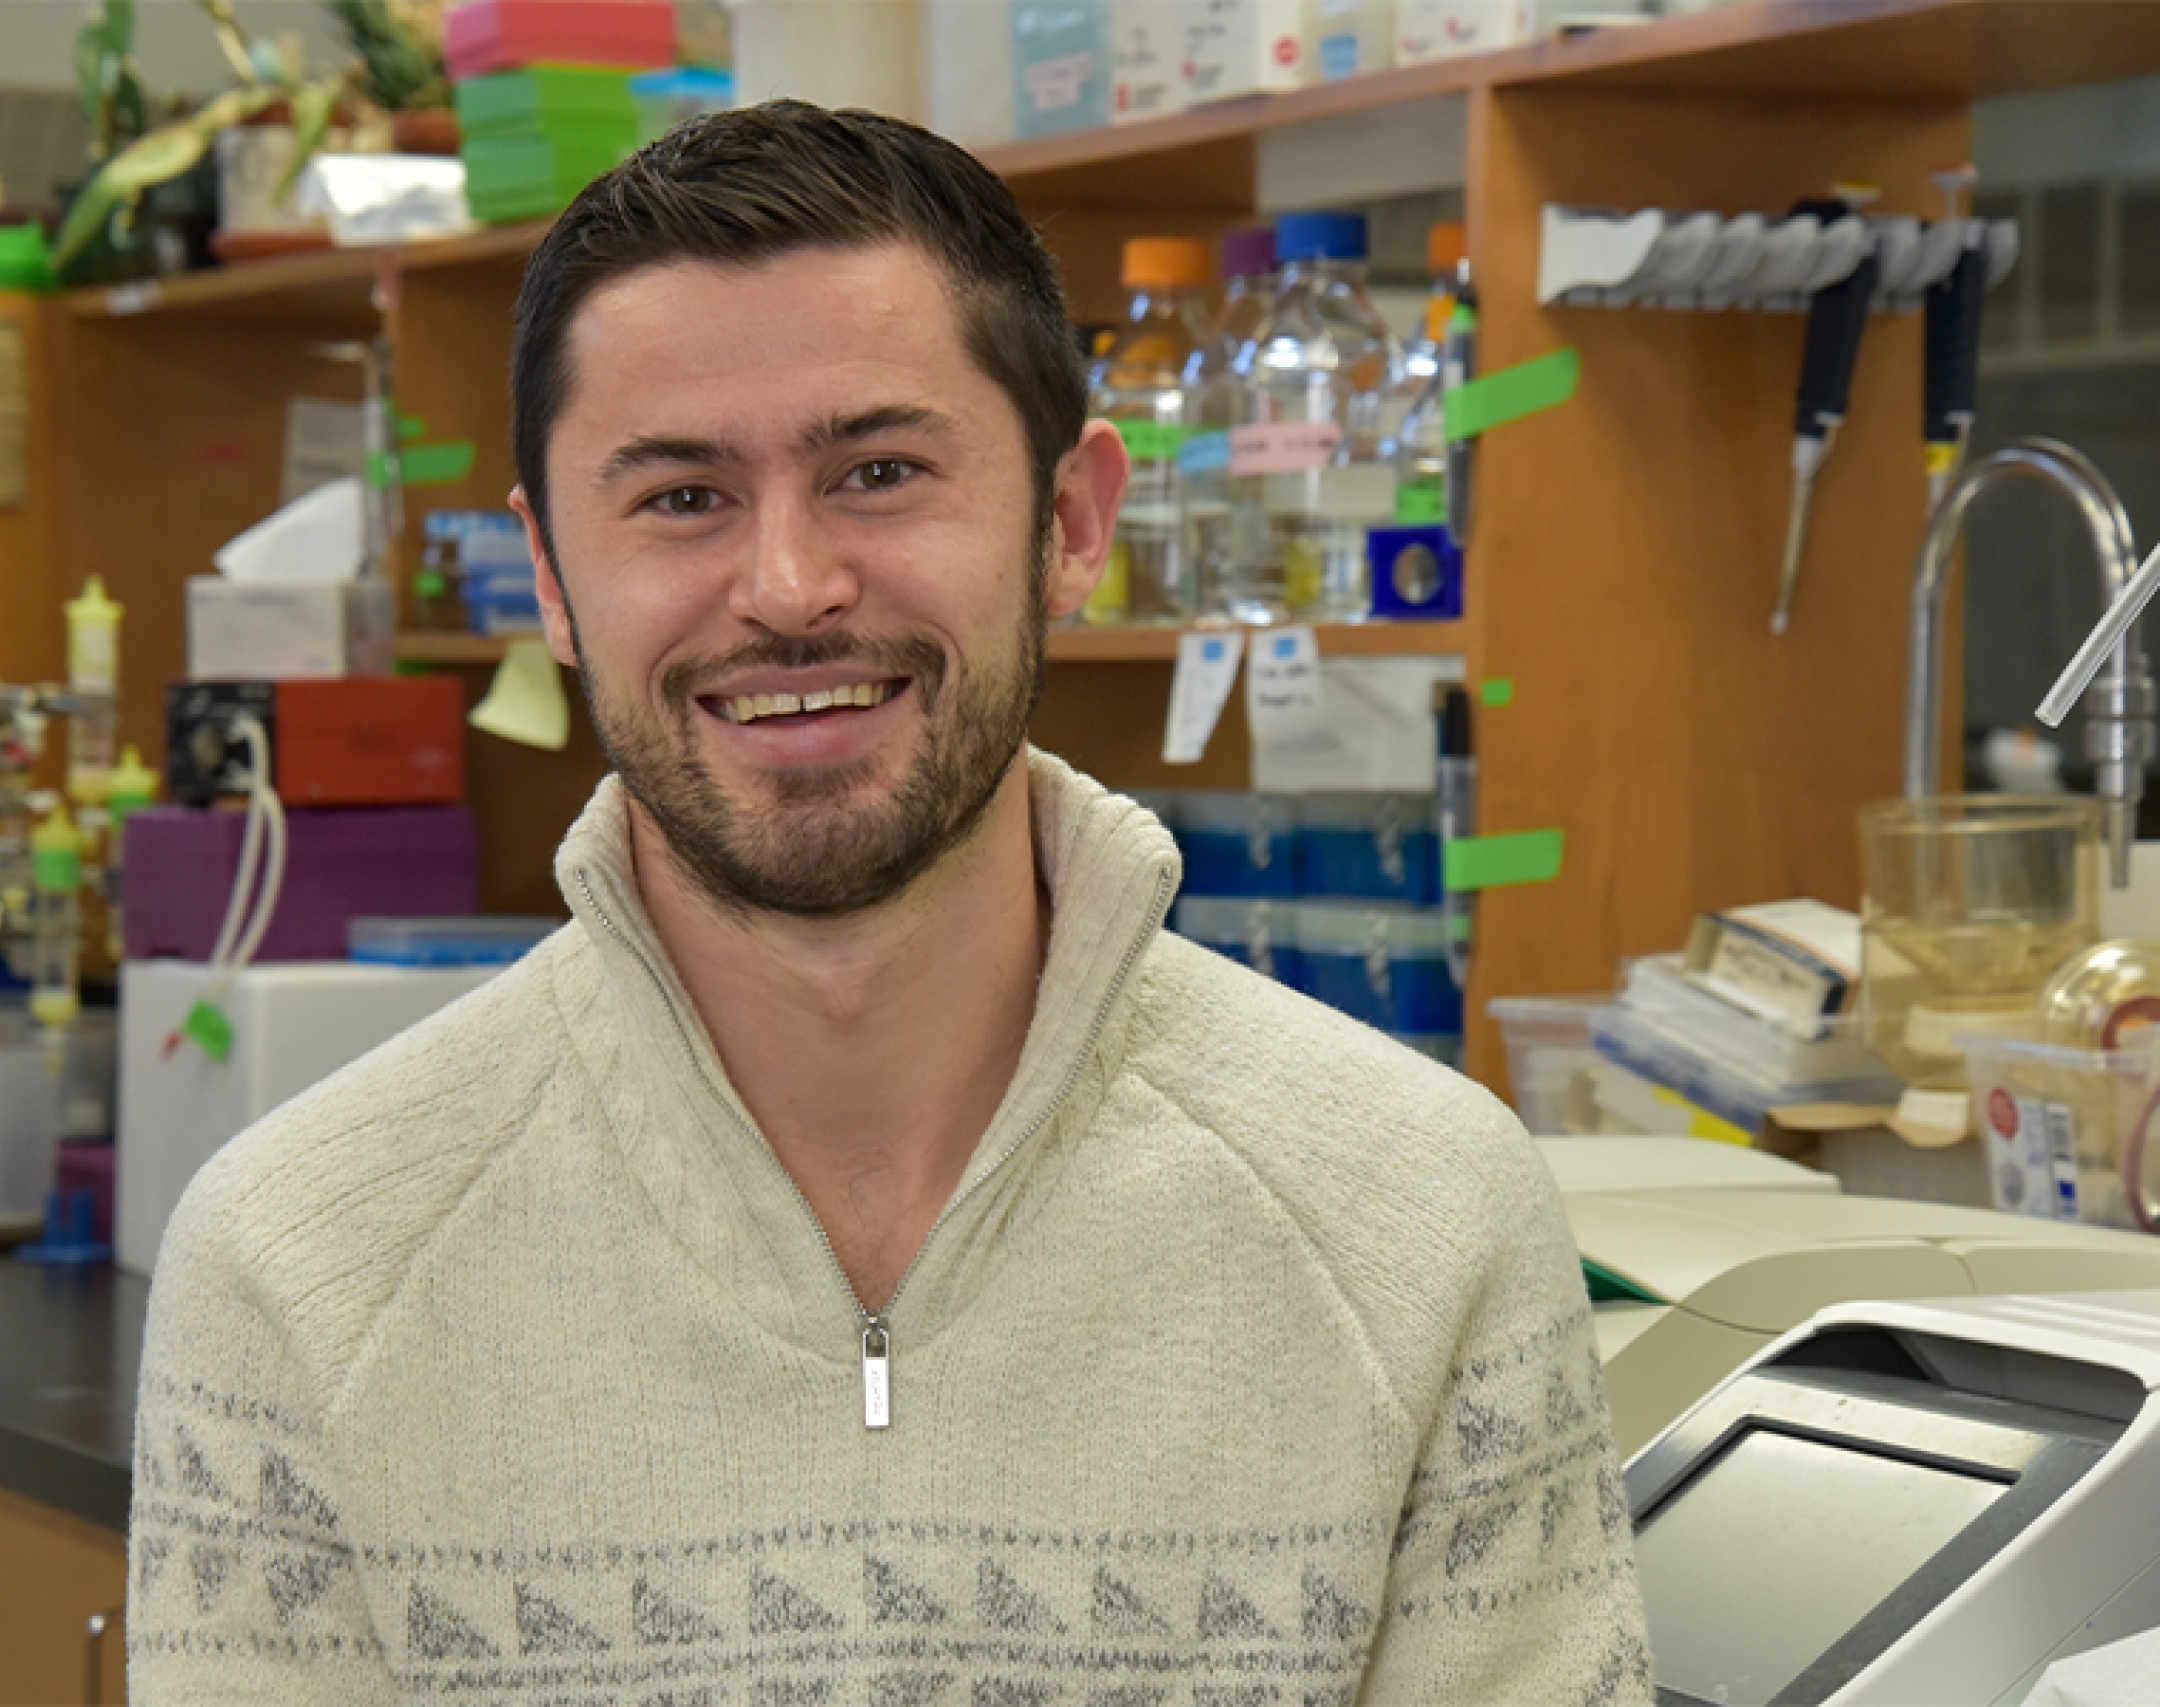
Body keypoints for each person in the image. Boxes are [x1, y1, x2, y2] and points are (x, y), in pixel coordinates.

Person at [128, 101, 1649, 1704]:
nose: (788, 590)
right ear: (555, 585)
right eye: (681, 499)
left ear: (1071, 524)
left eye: (878, 470)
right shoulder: (301, 1260)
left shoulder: (1419, 1217)